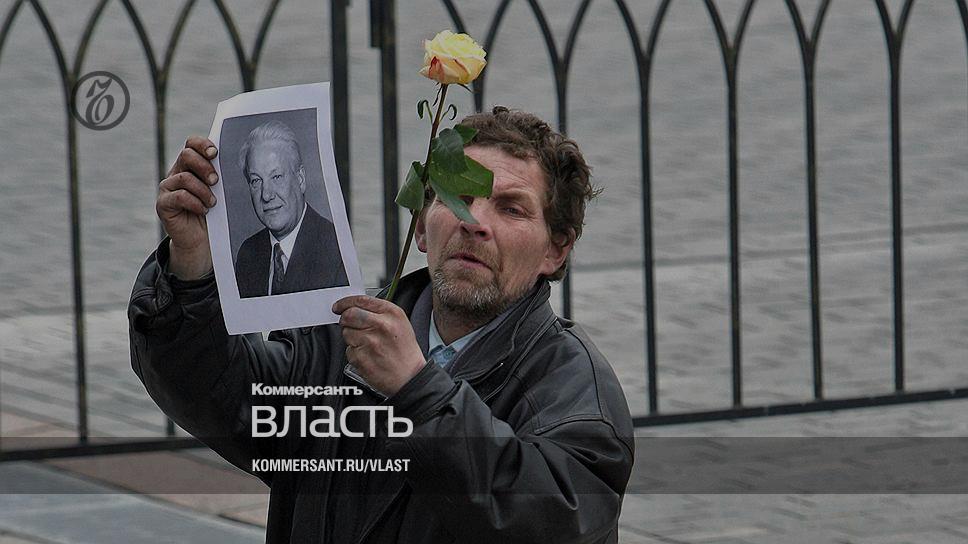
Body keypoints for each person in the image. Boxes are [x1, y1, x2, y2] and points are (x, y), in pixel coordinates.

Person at [131, 106, 634, 543]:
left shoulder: (573, 389)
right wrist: (191, 268)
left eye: (511, 208)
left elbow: (549, 520)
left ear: (556, 249)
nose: (474, 222)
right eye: (456, 197)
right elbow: (221, 397)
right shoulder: (340, 337)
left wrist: (418, 391)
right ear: (422, 225)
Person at [233, 120, 347, 297]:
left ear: (300, 179)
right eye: (256, 180)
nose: (266, 195)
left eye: (277, 177)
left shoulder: (336, 247)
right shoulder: (248, 254)